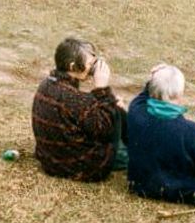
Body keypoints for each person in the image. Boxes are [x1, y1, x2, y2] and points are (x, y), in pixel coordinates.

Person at [31, 37, 127, 182]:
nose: (92, 68)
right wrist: (102, 89)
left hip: (50, 161)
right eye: (90, 64)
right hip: (82, 167)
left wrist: (105, 102)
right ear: (73, 66)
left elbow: (77, 108)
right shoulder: (75, 99)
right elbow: (104, 129)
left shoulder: (47, 83)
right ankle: (130, 154)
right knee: (116, 111)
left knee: (111, 106)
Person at [126, 64, 195, 203]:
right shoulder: (193, 132)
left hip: (140, 186)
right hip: (179, 193)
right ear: (179, 94)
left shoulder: (136, 111)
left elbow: (144, 96)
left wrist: (154, 81)